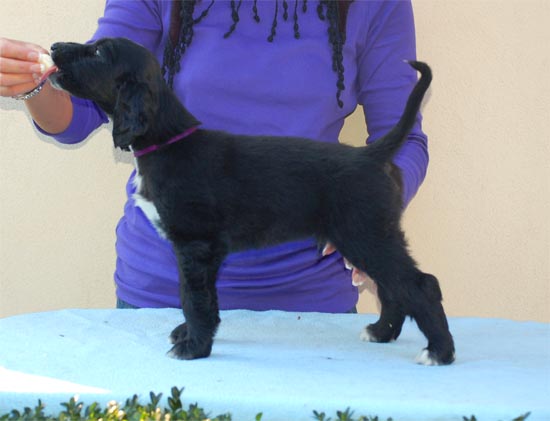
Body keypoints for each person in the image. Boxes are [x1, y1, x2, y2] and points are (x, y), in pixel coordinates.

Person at [0, 0, 428, 314]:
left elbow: (402, 140)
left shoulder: (375, 5)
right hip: (162, 298)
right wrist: (35, 85)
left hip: (308, 302)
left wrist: (367, 207)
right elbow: (79, 116)